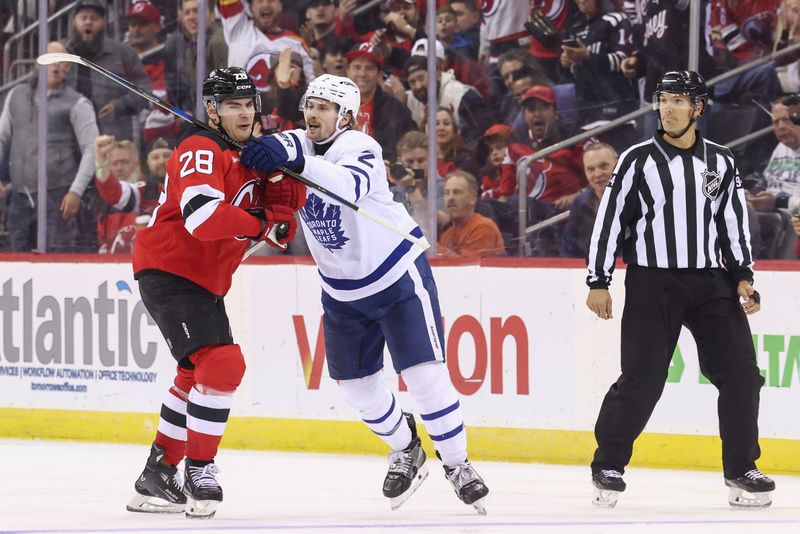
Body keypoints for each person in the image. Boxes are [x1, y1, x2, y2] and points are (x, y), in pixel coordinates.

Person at [240, 73, 490, 513]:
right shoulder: (296, 141)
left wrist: (286, 158)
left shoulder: (362, 148)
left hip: (397, 276)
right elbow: (278, 157)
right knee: (355, 386)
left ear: (347, 117)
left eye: (324, 107)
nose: (313, 114)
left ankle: (457, 463)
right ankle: (405, 447)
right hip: (341, 290)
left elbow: (347, 189)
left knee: (425, 377)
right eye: (310, 105)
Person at [585, 71, 774, 509]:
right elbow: (610, 220)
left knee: (742, 375)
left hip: (711, 281)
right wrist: (599, 279)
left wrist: (744, 275)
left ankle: (741, 468)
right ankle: (608, 463)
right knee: (643, 378)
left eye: (678, 100)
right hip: (654, 281)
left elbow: (732, 224)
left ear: (698, 108)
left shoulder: (722, 161)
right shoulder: (636, 159)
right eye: (663, 99)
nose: (668, 107)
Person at [126, 67, 300, 519]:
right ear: (212, 110)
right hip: (170, 267)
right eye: (232, 106)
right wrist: (262, 222)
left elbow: (281, 230)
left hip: (205, 281)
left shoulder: (254, 157)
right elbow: (203, 219)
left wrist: (284, 180)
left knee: (194, 373)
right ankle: (199, 468)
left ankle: (158, 474)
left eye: (249, 106)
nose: (244, 114)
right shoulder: (200, 147)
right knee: (223, 364)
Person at [0, 41, 99, 253]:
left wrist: (76, 191)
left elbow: (93, 148)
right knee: (18, 257)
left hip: (58, 195)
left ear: (68, 68)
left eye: (62, 61)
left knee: (57, 256)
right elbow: (2, 138)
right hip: (19, 194)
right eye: (50, 59)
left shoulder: (78, 103)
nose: (56, 65)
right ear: (38, 64)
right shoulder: (16, 95)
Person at [65, 0, 150, 141]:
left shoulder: (123, 53)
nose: (88, 23)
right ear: (74, 22)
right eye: (83, 18)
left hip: (113, 138)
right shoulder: (61, 53)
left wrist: (120, 106)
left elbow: (144, 90)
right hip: (70, 138)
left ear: (103, 23)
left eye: (94, 18)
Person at [219, 0, 315, 92]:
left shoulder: (298, 44)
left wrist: (292, 86)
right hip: (238, 106)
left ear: (281, 5)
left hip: (281, 107)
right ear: (251, 7)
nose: (265, 5)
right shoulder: (238, 29)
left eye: (271, 0)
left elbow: (312, 92)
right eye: (259, 0)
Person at [561, 142, 616, 258]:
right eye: (590, 169)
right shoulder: (580, 203)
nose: (597, 174)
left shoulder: (637, 199)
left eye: (604, 166)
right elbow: (568, 250)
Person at [439, 170, 505, 257]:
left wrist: (428, 246)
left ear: (473, 199)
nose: (450, 198)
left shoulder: (483, 227)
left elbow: (468, 267)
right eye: (446, 193)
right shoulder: (446, 235)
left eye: (457, 192)